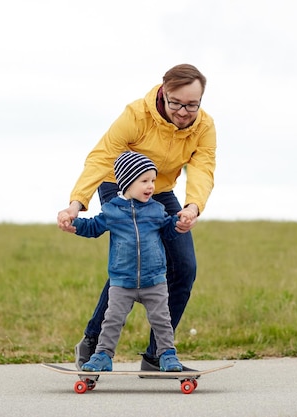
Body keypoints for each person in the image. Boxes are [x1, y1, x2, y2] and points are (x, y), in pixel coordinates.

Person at [57, 63, 216, 372]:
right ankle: (93, 343)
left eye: (192, 105)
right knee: (129, 261)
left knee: (184, 266)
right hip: (119, 186)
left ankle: (159, 354)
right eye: (177, 104)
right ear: (164, 93)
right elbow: (102, 157)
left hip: (161, 189)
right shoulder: (136, 115)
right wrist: (77, 203)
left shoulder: (204, 126)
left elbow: (203, 166)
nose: (184, 112)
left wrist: (192, 207)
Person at [73, 151, 183, 372]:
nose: (151, 186)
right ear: (127, 183)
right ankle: (103, 355)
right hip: (122, 281)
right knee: (112, 320)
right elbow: (93, 227)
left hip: (154, 280)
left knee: (162, 320)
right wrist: (73, 224)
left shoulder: (156, 209)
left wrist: (179, 224)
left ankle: (167, 355)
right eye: (144, 181)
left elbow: (167, 231)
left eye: (153, 180)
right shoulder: (113, 210)